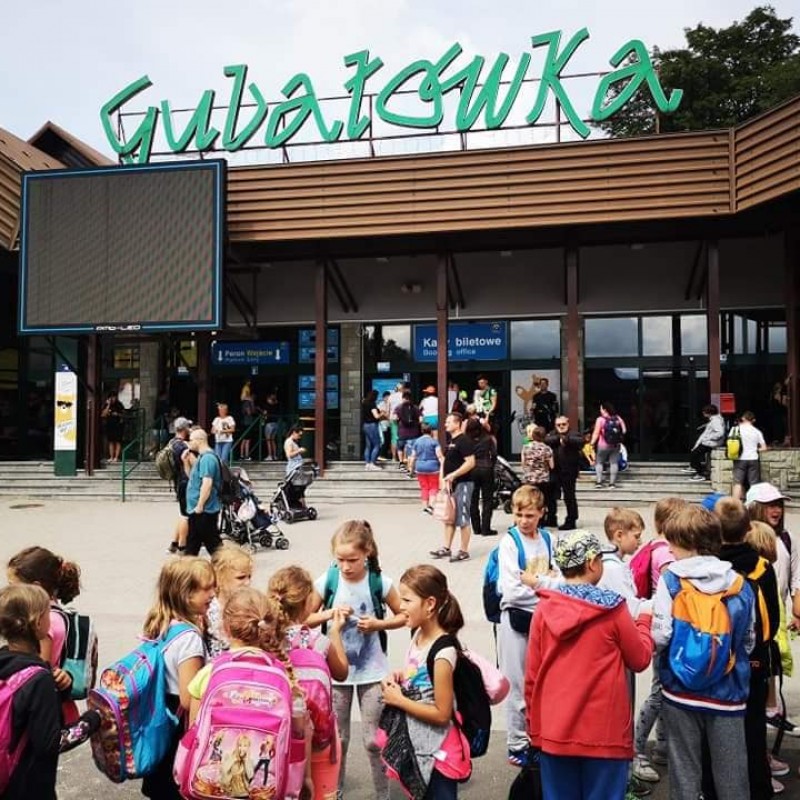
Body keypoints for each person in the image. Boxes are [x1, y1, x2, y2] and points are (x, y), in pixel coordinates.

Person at [525, 529, 653, 800]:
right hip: (605, 732)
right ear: (593, 563)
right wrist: (644, 622)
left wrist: (534, 727)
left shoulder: (544, 609)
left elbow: (532, 676)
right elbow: (640, 659)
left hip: (555, 730)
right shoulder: (612, 610)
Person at [651, 504, 754, 800]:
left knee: (684, 771)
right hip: (728, 691)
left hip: (680, 689)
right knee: (732, 774)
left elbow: (661, 634)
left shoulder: (672, 580)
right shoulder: (739, 583)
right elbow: (748, 639)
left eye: (672, 543)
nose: (670, 550)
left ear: (686, 542)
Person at [307, 520, 406, 800]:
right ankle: (333, 792)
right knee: (338, 739)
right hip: (336, 671)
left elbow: (404, 615)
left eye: (352, 560)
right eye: (340, 560)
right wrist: (329, 614)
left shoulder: (379, 582)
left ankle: (383, 795)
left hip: (373, 671)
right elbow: (304, 617)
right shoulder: (328, 580)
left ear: (367, 552)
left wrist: (378, 624)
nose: (346, 566)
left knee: (374, 740)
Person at [186, 586, 312, 799]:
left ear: (226, 627)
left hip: (212, 786)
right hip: (266, 788)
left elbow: (194, 729)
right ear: (268, 626)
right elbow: (300, 733)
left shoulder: (210, 672)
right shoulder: (284, 677)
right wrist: (305, 778)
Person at [702, 497, 780, 800]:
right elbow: (772, 620)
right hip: (754, 661)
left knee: (714, 731)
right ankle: (758, 789)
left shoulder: (710, 567)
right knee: (753, 730)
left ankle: (712, 790)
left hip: (715, 659)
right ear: (748, 529)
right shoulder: (762, 567)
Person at [381, 565, 470, 799]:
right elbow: (419, 673)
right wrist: (401, 677)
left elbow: (442, 714)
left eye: (407, 600)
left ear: (430, 604)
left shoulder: (443, 653)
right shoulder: (419, 635)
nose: (400, 606)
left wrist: (399, 700)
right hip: (420, 746)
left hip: (439, 754)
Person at [269, 565, 350, 800]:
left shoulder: (265, 640)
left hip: (280, 736)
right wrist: (335, 633)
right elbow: (341, 672)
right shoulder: (318, 641)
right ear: (307, 603)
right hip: (319, 737)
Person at [498, 485, 563, 767]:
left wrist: (536, 583)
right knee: (516, 681)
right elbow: (512, 591)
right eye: (519, 514)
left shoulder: (549, 540)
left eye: (530, 515)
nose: (523, 521)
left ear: (542, 513)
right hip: (515, 620)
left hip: (543, 619)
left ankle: (537, 736)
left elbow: (564, 581)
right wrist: (548, 586)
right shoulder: (510, 543)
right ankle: (516, 742)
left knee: (542, 681)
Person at [141, 557, 214, 800]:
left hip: (158, 715)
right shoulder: (189, 639)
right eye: (206, 588)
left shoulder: (162, 624)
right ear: (186, 594)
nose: (213, 594)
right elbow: (187, 698)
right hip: (176, 726)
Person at [632, 498, 683, 784]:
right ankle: (637, 748)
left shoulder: (655, 546)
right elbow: (674, 588)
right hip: (665, 628)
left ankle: (663, 746)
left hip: (660, 625)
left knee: (664, 689)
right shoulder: (666, 553)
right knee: (659, 691)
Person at [746, 482, 800, 737]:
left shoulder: (787, 539)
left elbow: (796, 575)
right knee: (760, 661)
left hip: (777, 610)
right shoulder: (748, 538)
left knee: (775, 660)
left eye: (779, 505)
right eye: (770, 505)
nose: (776, 510)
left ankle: (772, 709)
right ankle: (764, 710)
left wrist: (797, 610)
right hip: (753, 611)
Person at [6, 546, 82, 725]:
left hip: (44, 711)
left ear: (35, 587)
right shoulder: (55, 614)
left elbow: (38, 671)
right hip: (57, 705)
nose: (10, 592)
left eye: (13, 586)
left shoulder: (44, 622)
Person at [430, 412, 475, 563]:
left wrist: (454, 474)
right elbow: (446, 462)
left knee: (462, 517)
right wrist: (443, 480)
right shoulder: (451, 442)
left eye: (448, 422)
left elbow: (470, 462)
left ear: (457, 423)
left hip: (463, 484)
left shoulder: (464, 441)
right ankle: (446, 548)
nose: (445, 425)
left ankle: (464, 551)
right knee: (449, 517)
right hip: (451, 485)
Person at [598, 508, 648, 617]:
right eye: (636, 536)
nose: (640, 541)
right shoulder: (613, 568)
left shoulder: (606, 559)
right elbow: (631, 609)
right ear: (619, 536)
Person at [207, 543, 254, 658]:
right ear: (220, 578)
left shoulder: (249, 604)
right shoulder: (211, 610)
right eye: (241, 578)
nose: (247, 583)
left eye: (249, 577)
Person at [185, 428, 223, 557]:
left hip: (204, 509)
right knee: (193, 542)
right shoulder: (202, 458)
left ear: (199, 440)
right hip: (197, 509)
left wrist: (200, 505)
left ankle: (226, 563)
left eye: (191, 440)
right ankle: (189, 564)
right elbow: (193, 479)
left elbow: (207, 483)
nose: (189, 443)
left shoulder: (208, 459)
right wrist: (186, 462)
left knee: (212, 543)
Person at [545, 415, 582, 530]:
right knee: (551, 496)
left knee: (569, 496)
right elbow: (546, 440)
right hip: (554, 471)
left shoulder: (574, 434)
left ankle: (571, 520)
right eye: (558, 425)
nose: (561, 426)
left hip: (569, 471)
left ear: (568, 424)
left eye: (563, 424)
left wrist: (566, 439)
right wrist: (558, 438)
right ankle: (551, 518)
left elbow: (580, 441)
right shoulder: (552, 434)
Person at [166, 416, 195, 555]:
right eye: (188, 427)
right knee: (186, 516)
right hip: (185, 481)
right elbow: (191, 463)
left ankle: (174, 543)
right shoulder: (183, 446)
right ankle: (183, 546)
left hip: (177, 481)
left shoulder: (171, 443)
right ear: (184, 429)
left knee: (182, 513)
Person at [466, 416, 497, 537]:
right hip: (486, 468)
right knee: (487, 499)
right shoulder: (488, 438)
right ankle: (486, 528)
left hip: (471, 469)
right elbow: (494, 454)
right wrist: (491, 465)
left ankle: (476, 527)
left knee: (473, 499)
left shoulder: (466, 439)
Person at [407, 422, 443, 513]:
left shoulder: (417, 442)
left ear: (422, 431)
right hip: (433, 467)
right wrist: (443, 465)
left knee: (424, 487)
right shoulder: (434, 442)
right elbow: (439, 456)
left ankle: (424, 507)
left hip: (420, 467)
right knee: (433, 487)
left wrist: (411, 468)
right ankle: (431, 506)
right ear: (431, 431)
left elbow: (413, 456)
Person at [520, 424, 553, 523]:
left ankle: (529, 519)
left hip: (529, 479)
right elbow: (552, 465)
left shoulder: (526, 447)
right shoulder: (547, 449)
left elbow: (523, 463)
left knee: (528, 501)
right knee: (541, 501)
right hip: (543, 479)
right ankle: (541, 521)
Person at [731, 411, 767, 500]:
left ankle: (735, 504)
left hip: (739, 458)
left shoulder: (735, 429)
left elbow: (730, 442)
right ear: (753, 420)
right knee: (754, 483)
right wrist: (755, 449)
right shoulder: (757, 431)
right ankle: (753, 504)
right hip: (753, 458)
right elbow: (764, 448)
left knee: (738, 483)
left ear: (743, 418)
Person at [591, 402, 627, 489]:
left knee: (599, 462)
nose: (600, 410)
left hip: (603, 445)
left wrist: (592, 443)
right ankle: (612, 484)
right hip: (615, 445)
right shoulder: (618, 418)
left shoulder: (600, 419)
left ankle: (599, 482)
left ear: (604, 410)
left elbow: (596, 433)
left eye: (601, 408)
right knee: (614, 463)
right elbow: (624, 431)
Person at [686, 404, 726, 482]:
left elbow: (720, 432)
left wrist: (709, 438)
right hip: (709, 442)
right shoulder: (714, 420)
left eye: (704, 411)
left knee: (694, 455)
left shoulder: (716, 421)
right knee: (694, 454)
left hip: (710, 443)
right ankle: (697, 469)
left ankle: (700, 473)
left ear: (709, 412)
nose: (703, 413)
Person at [395, 390, 421, 470]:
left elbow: (395, 418)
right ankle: (410, 467)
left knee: (400, 447)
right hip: (413, 432)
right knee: (411, 450)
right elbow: (421, 419)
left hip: (402, 431)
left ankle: (401, 463)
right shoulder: (415, 407)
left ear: (403, 398)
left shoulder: (398, 407)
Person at [362, 389, 384, 470]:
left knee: (368, 446)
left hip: (365, 425)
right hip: (372, 425)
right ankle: (372, 463)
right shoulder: (372, 404)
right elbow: (376, 416)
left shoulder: (364, 403)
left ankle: (367, 464)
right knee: (377, 444)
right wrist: (382, 413)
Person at [101, 389, 125, 462]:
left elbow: (123, 414)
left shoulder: (119, 405)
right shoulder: (106, 405)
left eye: (114, 397)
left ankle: (116, 457)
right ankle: (111, 457)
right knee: (111, 441)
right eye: (111, 397)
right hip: (109, 425)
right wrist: (108, 405)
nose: (112, 399)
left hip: (118, 425)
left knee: (118, 441)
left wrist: (117, 414)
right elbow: (103, 414)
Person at [239, 381, 257, 461]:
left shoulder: (244, 402)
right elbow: (250, 412)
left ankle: (243, 455)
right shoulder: (247, 402)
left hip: (244, 422)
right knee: (246, 440)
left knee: (245, 440)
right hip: (247, 422)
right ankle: (245, 455)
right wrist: (252, 404)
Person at [262, 389, 281, 461]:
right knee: (273, 440)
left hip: (269, 424)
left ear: (268, 398)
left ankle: (270, 456)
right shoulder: (276, 404)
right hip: (276, 424)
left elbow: (265, 414)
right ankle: (275, 456)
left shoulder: (266, 405)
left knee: (268, 440)